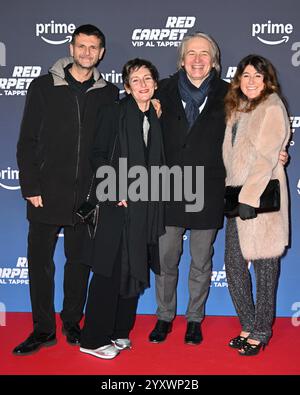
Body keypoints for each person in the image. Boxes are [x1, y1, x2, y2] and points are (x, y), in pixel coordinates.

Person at [148, 32, 289, 346]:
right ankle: (164, 317)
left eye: (204, 54)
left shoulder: (230, 94)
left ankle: (194, 320)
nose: (197, 60)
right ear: (182, 59)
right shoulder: (162, 90)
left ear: (214, 61)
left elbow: (252, 130)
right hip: (168, 188)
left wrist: (277, 151)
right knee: (166, 258)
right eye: (191, 54)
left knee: (201, 261)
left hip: (209, 190)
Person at [14, 24, 119, 356]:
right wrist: (30, 185)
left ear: (101, 53)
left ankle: (72, 322)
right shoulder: (43, 86)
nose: (87, 53)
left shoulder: (109, 93)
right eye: (82, 46)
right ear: (71, 48)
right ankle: (43, 329)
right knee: (40, 263)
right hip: (46, 191)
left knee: (79, 263)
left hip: (88, 197)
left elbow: (114, 142)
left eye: (94, 48)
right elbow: (27, 140)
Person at [79, 58, 165, 360]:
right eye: (135, 80)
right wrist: (114, 187)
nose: (142, 84)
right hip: (117, 203)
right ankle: (92, 339)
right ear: (127, 87)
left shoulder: (155, 116)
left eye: (147, 78)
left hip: (145, 207)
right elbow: (98, 154)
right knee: (109, 271)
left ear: (155, 83)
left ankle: (118, 331)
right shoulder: (114, 112)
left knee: (133, 267)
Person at [223, 54, 290, 356]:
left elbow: (266, 158)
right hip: (238, 198)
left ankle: (261, 330)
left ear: (267, 80)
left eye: (257, 76)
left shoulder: (272, 107)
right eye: (246, 75)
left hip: (261, 199)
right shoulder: (236, 108)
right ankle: (248, 324)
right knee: (234, 264)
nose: (251, 81)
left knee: (265, 267)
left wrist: (248, 198)